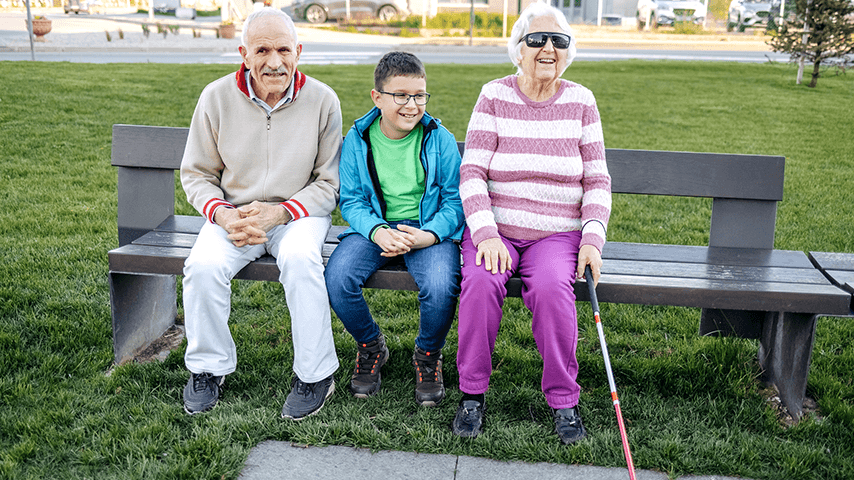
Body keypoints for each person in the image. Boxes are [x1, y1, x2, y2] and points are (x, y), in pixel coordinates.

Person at [451, 2, 611, 445]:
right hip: (496, 226)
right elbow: (473, 172)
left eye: (559, 40)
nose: (547, 48)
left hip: (556, 233)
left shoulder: (581, 101)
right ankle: (472, 395)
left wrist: (592, 240)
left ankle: (564, 400)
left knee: (553, 290)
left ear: (568, 52)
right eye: (536, 39)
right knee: (482, 283)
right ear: (517, 50)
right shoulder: (494, 95)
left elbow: (597, 179)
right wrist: (485, 232)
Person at [179, 8, 342, 420]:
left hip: (297, 215)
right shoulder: (215, 97)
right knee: (202, 266)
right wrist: (223, 216)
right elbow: (197, 174)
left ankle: (315, 374)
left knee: (302, 260)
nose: (274, 61)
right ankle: (207, 369)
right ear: (244, 54)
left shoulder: (323, 100)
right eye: (263, 50)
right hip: (234, 215)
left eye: (284, 49)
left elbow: (329, 183)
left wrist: (281, 213)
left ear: (298, 52)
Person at [324, 52, 465, 407]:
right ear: (377, 97)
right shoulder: (358, 139)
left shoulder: (439, 139)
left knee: (439, 285)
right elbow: (353, 200)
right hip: (376, 227)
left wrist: (429, 235)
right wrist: (376, 231)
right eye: (400, 95)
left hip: (429, 230)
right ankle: (372, 346)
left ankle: (428, 355)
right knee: (337, 277)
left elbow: (455, 201)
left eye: (419, 95)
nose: (412, 105)